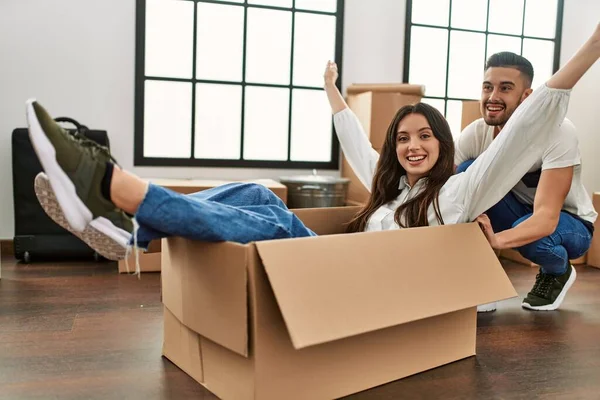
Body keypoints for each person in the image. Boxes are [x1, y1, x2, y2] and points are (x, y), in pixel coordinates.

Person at [28, 23, 600, 311]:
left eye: (426, 135)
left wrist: (590, 50)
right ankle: (131, 230)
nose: (413, 145)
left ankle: (113, 186)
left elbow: (521, 134)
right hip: (335, 269)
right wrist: (331, 90)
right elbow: (357, 144)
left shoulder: (455, 196)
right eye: (403, 138)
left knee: (277, 223)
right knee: (257, 194)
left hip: (354, 286)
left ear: (445, 144)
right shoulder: (393, 187)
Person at [455, 51, 597, 311]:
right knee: (465, 173)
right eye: (488, 87)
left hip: (569, 223)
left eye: (505, 88)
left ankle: (558, 271)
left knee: (532, 235)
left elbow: (545, 218)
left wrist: (497, 241)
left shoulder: (558, 132)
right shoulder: (475, 134)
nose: (493, 97)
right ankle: (485, 278)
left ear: (527, 97)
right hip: (516, 211)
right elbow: (449, 198)